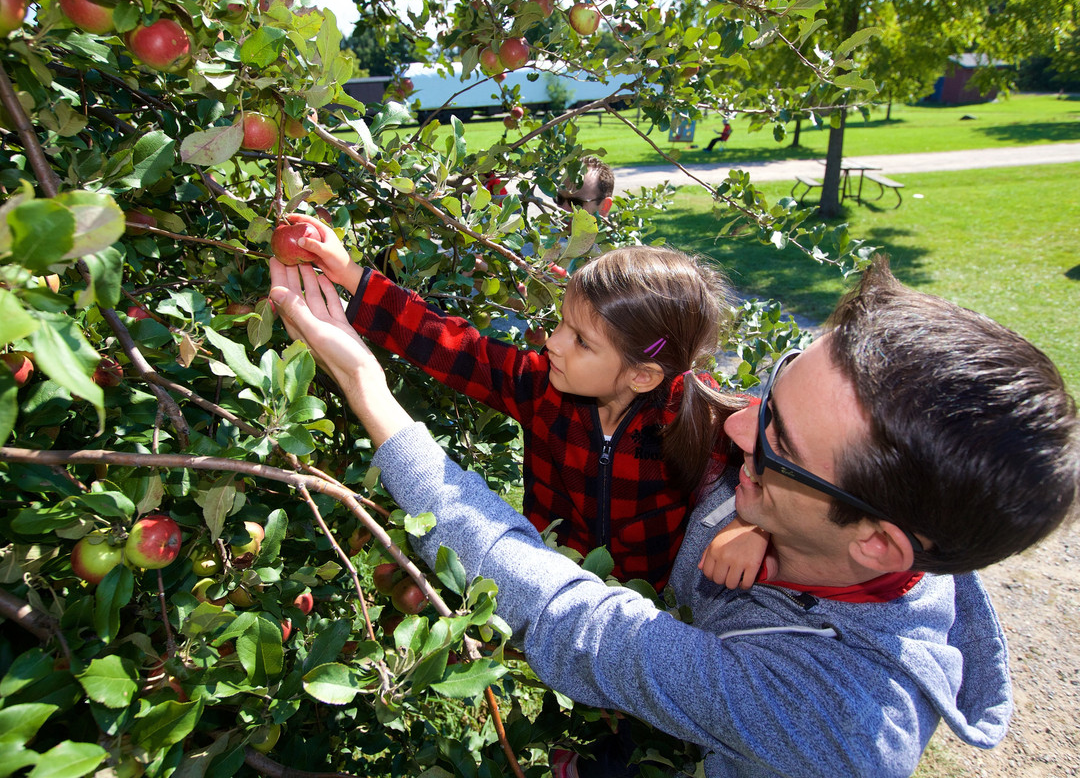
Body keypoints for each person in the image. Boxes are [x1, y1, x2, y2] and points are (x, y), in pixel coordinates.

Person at [268, 256, 1078, 778]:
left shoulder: (837, 726)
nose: (734, 426)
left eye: (776, 439)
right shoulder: (836, 502)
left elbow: (581, 624)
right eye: (773, 387)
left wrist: (368, 391)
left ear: (876, 541)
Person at [285, 212, 741, 588]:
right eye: (562, 323)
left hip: (650, 606)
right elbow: (454, 348)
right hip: (550, 587)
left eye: (581, 341)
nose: (553, 343)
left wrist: (750, 528)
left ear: (642, 375)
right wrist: (350, 275)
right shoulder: (541, 389)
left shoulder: (699, 414)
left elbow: (777, 458)